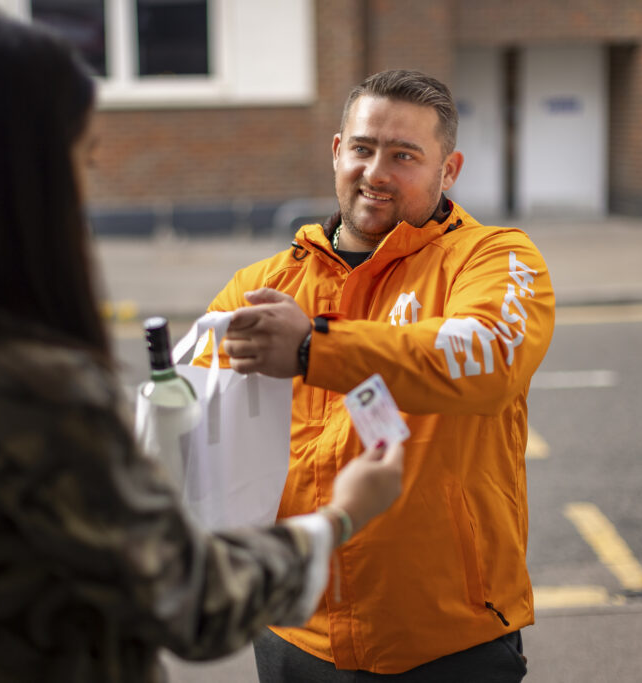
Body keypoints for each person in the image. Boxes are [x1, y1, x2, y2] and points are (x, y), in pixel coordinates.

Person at [0, 7, 404, 682]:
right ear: (21, 176)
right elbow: (194, 601)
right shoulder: (34, 389)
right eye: (83, 156)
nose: (84, 185)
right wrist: (342, 515)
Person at [207, 69, 556, 681]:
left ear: (448, 171)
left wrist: (314, 348)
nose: (376, 172)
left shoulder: (495, 256)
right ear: (338, 151)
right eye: (364, 149)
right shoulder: (262, 284)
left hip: (448, 637)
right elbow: (204, 429)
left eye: (405, 156)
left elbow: (488, 356)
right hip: (294, 628)